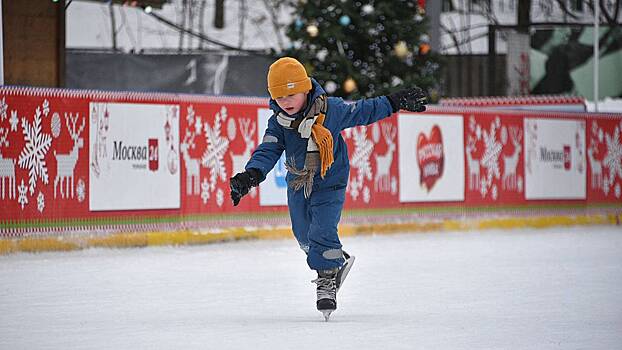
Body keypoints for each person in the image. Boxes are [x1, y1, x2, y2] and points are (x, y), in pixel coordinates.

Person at [229, 57, 427, 320]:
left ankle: (326, 283)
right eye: (279, 97)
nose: (286, 102)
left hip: (330, 180)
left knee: (322, 230)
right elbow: (269, 149)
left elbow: (363, 111)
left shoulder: (330, 110)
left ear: (306, 89)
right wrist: (251, 175)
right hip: (299, 181)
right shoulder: (279, 121)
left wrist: (394, 101)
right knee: (303, 234)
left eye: (291, 94)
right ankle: (336, 260)